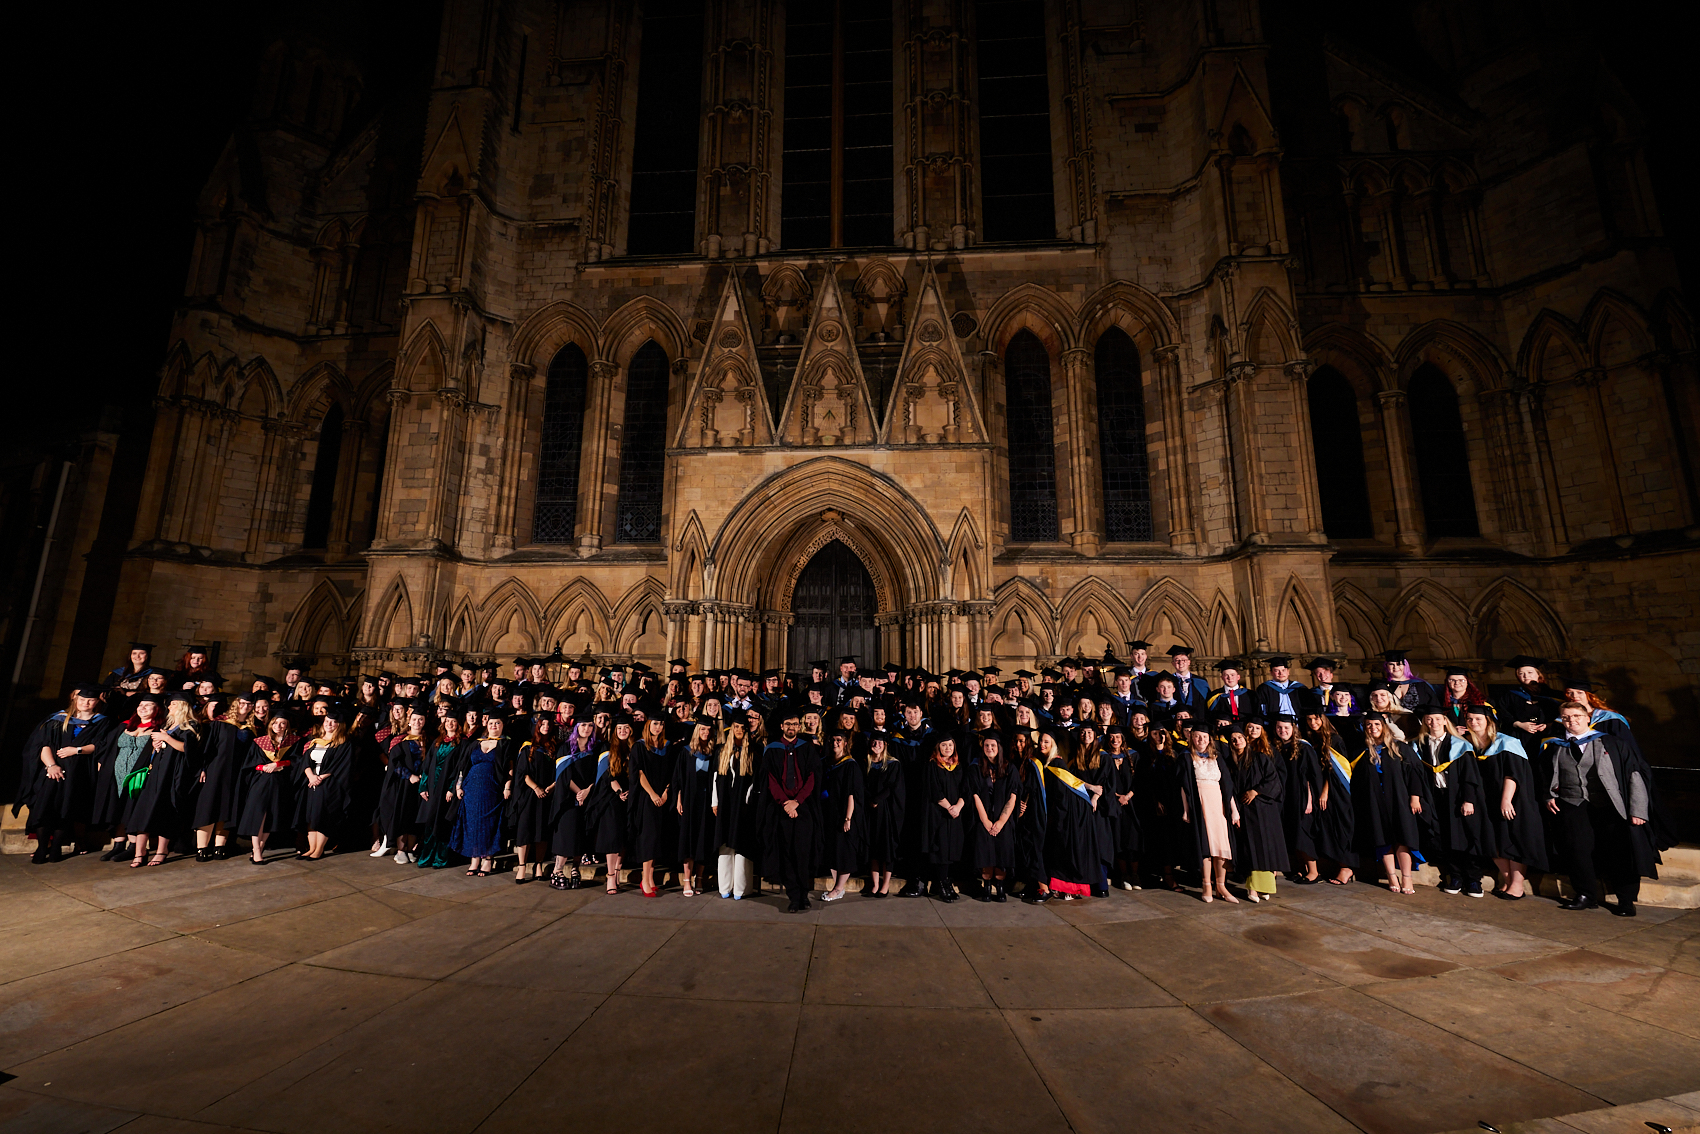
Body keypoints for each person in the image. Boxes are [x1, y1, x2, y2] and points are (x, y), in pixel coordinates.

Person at [1542, 701, 1658, 916]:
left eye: (1576, 716)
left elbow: (1634, 775)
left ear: (1588, 718)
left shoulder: (1612, 743)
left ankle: (1625, 900)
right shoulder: (1555, 746)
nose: (1571, 720)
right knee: (1578, 851)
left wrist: (1637, 810)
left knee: (1619, 851)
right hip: (1573, 804)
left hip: (1611, 806)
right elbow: (1546, 775)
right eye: (1566, 717)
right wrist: (1549, 795)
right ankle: (1586, 895)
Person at [24, 686, 117, 863]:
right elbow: (42, 745)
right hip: (52, 770)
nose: (86, 703)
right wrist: (51, 766)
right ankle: (43, 847)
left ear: (97, 701)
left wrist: (77, 750)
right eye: (82, 699)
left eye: (90, 700)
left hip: (80, 772)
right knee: (45, 807)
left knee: (68, 808)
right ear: (75, 699)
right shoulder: (57, 719)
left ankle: (57, 848)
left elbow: (101, 745)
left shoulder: (102, 722)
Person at [1461, 705, 1545, 900]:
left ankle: (1517, 885)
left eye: (1478, 719)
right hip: (1484, 800)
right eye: (1470, 719)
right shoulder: (1467, 744)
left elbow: (1513, 774)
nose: (1474, 723)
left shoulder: (1507, 742)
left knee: (1512, 839)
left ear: (1489, 721)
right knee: (1491, 839)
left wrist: (1506, 800)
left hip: (1511, 798)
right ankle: (1507, 880)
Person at [1411, 706, 1485, 897]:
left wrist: (1468, 800)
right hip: (1435, 798)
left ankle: (1474, 879)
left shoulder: (1460, 745)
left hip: (1458, 797)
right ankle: (1455, 876)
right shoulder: (1419, 745)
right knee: (1444, 837)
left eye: (1437, 719)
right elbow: (1416, 775)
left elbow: (1469, 776)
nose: (1433, 723)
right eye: (1429, 719)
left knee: (1467, 836)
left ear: (1445, 721)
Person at [126, 693, 206, 867]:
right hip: (156, 773)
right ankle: (140, 852)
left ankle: (162, 850)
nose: (169, 707)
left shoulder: (191, 726)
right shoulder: (167, 724)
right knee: (143, 810)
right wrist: (156, 746)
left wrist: (167, 739)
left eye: (173, 704)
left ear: (183, 706)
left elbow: (188, 750)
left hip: (172, 774)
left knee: (166, 811)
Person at [1351, 713, 1424, 894]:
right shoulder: (1362, 752)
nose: (1373, 727)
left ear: (1384, 726)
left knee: (1403, 838)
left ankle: (1407, 877)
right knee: (1382, 840)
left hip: (1399, 801)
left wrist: (1415, 797)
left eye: (1377, 724)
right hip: (1375, 803)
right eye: (1368, 725)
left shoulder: (1400, 748)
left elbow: (1415, 773)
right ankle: (1392, 876)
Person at [760, 708, 823, 913]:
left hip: (803, 808)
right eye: (788, 724)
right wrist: (785, 803)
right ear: (781, 726)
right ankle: (794, 896)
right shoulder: (772, 749)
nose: (792, 727)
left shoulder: (807, 748)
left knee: (803, 852)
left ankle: (804, 894)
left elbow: (813, 777)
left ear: (799, 726)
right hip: (781, 809)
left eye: (795, 724)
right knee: (786, 853)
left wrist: (797, 801)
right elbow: (770, 779)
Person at [1177, 721, 1239, 903]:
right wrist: (1186, 810)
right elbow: (1183, 787)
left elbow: (1227, 786)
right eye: (1197, 736)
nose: (1201, 740)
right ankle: (1207, 886)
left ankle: (1221, 886)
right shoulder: (1186, 757)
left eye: (1204, 737)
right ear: (1191, 738)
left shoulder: (1217, 757)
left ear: (1209, 739)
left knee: (1220, 846)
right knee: (1206, 846)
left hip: (1218, 805)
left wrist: (1234, 811)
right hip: (1199, 804)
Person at [1226, 722, 1287, 903]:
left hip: (1264, 810)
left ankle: (1265, 888)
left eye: (1239, 737)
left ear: (1245, 739)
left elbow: (1273, 780)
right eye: (1233, 739)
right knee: (1250, 849)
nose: (1237, 741)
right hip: (1246, 812)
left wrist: (1255, 791)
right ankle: (1253, 888)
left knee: (1266, 848)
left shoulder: (1260, 758)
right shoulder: (1230, 763)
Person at [451, 710, 512, 876]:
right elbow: (463, 766)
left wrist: (507, 786)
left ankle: (487, 859)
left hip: (492, 789)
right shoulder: (475, 743)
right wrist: (458, 785)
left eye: (497, 723)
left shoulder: (505, 744)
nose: (494, 726)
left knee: (489, 823)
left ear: (502, 726)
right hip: (471, 790)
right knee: (472, 823)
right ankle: (474, 859)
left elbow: (510, 768)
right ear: (486, 724)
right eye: (491, 723)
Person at [1302, 709, 1357, 885]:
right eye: (1309, 719)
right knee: (1330, 827)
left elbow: (1335, 770)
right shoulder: (1314, 739)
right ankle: (1340, 865)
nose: (1312, 722)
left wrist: (1325, 791)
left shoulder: (1334, 739)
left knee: (1341, 826)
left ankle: (1347, 867)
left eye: (1316, 718)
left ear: (1323, 718)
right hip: (1323, 791)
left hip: (1337, 790)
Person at [545, 719, 600, 889]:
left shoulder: (595, 748)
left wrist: (588, 791)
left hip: (587, 797)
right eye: (583, 725)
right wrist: (579, 793)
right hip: (567, 800)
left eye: (590, 725)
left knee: (581, 835)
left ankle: (576, 869)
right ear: (576, 727)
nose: (587, 728)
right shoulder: (566, 747)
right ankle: (557, 871)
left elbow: (596, 775)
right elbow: (563, 776)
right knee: (566, 834)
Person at [297, 707, 357, 860]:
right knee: (310, 815)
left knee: (322, 816)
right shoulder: (314, 740)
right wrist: (311, 776)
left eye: (333, 722)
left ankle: (319, 849)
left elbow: (341, 765)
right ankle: (311, 848)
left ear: (339, 725)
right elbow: (305, 761)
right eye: (327, 721)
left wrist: (320, 777)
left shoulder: (343, 743)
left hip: (329, 784)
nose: (329, 724)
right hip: (311, 782)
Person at [712, 714, 761, 899]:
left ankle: (741, 888)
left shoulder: (752, 752)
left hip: (743, 805)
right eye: (736, 727)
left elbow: (754, 781)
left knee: (741, 845)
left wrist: (748, 801)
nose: (739, 731)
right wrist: (714, 802)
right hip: (725, 803)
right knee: (725, 845)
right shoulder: (722, 750)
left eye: (742, 728)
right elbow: (715, 778)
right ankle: (725, 886)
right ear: (731, 729)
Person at [1272, 715, 1324, 884]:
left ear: (1293, 729)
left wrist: (1310, 800)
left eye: (1286, 728)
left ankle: (1314, 872)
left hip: (1302, 796)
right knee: (1293, 833)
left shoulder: (1303, 747)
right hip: (1286, 797)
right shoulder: (1277, 748)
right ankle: (1301, 869)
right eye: (1279, 728)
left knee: (1304, 833)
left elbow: (1312, 776)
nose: (1283, 731)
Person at [585, 718, 634, 894]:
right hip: (611, 798)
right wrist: (619, 791)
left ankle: (618, 874)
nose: (622, 731)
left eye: (625, 727)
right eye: (619, 728)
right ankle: (610, 877)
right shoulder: (607, 748)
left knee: (624, 837)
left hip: (630, 796)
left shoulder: (634, 748)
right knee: (613, 838)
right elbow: (606, 775)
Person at [967, 732, 1017, 902]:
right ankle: (987, 886)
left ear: (999, 748)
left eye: (993, 746)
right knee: (985, 852)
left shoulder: (1010, 768)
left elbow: (1013, 796)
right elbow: (975, 795)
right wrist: (986, 822)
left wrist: (1001, 822)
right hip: (983, 819)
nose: (989, 749)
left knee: (1002, 851)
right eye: (986, 746)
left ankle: (1000, 887)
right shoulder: (975, 768)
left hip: (1004, 820)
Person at [509, 714, 557, 882]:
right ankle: (522, 866)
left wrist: (550, 788)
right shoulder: (528, 747)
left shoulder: (553, 747)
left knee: (542, 831)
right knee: (525, 830)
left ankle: (539, 864)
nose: (545, 727)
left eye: (548, 724)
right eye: (542, 724)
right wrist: (536, 788)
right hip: (529, 794)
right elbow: (522, 773)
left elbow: (559, 772)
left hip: (547, 795)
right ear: (537, 726)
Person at [819, 729, 866, 902]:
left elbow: (851, 794)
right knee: (831, 850)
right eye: (832, 740)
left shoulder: (850, 765)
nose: (835, 743)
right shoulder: (825, 762)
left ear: (845, 743)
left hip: (843, 814)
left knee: (843, 851)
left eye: (839, 740)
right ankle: (836, 886)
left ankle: (838, 888)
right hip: (827, 813)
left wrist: (848, 818)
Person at [919, 735, 967, 902]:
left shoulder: (959, 766)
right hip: (939, 814)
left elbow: (965, 789)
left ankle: (947, 883)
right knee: (941, 851)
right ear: (938, 747)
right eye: (944, 745)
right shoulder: (932, 765)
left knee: (952, 850)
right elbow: (934, 789)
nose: (948, 748)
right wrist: (949, 807)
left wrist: (959, 806)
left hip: (955, 814)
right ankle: (941, 885)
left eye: (950, 745)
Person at [632, 718, 676, 896]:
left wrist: (665, 792)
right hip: (647, 796)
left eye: (661, 724)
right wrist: (652, 794)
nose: (658, 727)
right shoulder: (640, 747)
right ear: (648, 725)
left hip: (662, 797)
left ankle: (650, 878)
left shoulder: (666, 747)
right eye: (655, 724)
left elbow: (671, 773)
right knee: (648, 838)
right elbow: (639, 772)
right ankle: (644, 879)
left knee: (657, 837)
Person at [415, 715, 466, 869]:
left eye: (454, 721)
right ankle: (427, 857)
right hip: (432, 787)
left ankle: (440, 858)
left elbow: (459, 769)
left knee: (443, 824)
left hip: (446, 789)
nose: (450, 723)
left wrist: (452, 789)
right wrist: (423, 787)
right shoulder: (438, 742)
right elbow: (427, 765)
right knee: (430, 823)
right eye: (448, 721)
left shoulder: (461, 744)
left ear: (458, 725)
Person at [674, 720, 718, 897]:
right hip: (689, 801)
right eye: (702, 729)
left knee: (703, 841)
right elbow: (677, 778)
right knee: (689, 840)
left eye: (708, 729)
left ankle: (699, 879)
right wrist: (678, 800)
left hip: (706, 802)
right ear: (697, 730)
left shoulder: (714, 752)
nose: (705, 732)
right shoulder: (686, 752)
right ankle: (687, 881)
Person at [863, 730, 905, 898]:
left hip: (886, 812)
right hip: (869, 812)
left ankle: (885, 885)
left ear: (885, 745)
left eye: (880, 743)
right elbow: (861, 785)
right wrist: (869, 799)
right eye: (874, 742)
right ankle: (874, 885)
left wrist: (877, 799)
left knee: (886, 849)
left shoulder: (893, 764)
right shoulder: (865, 763)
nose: (877, 745)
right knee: (873, 848)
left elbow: (893, 787)